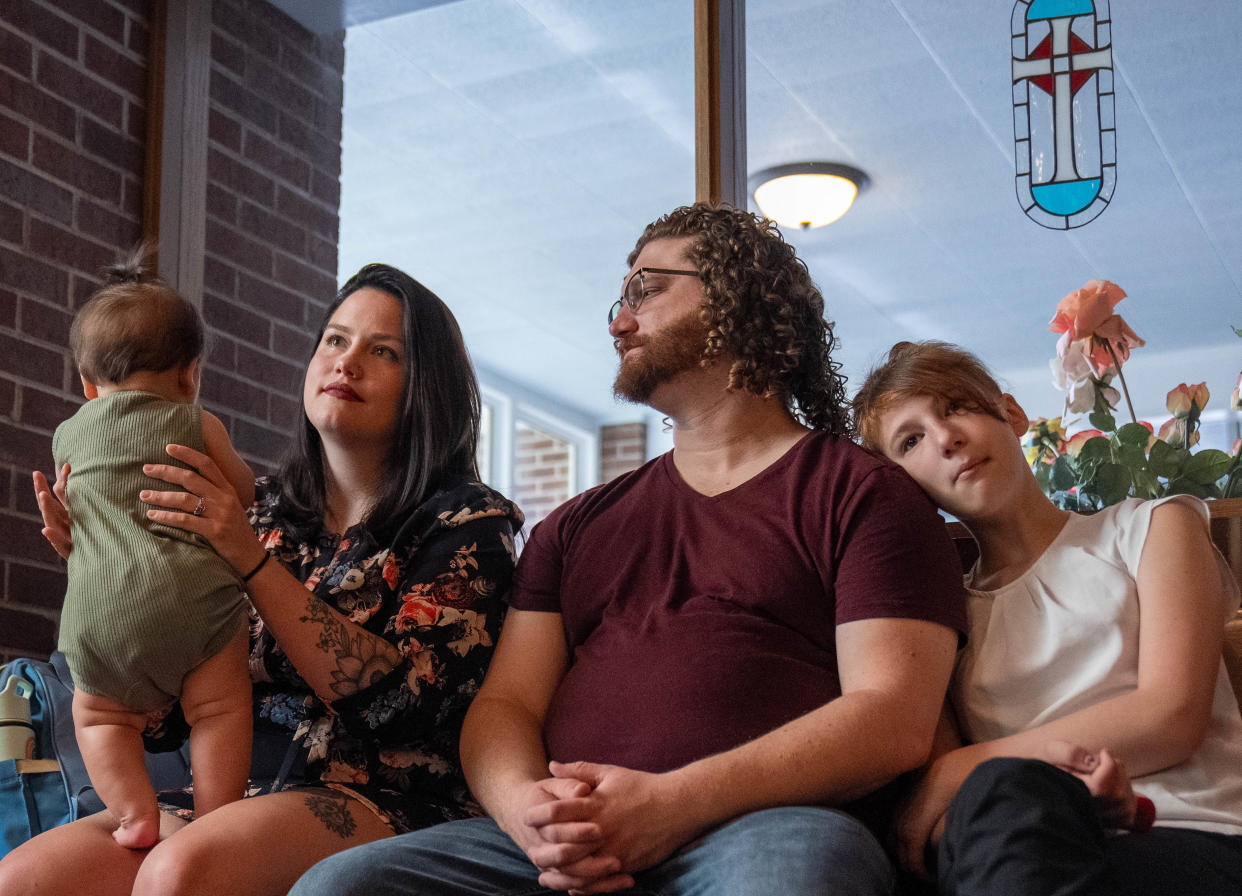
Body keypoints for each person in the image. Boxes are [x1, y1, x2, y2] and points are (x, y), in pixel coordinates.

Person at [290, 203, 968, 896]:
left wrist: (671, 804)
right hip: (561, 844)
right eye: (622, 299)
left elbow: (891, 718)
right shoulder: (578, 524)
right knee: (339, 887)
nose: (619, 320)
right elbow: (505, 709)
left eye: (647, 292)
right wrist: (530, 814)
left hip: (765, 828)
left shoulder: (863, 492)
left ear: (738, 299)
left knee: (797, 877)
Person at [0, 263, 523, 896]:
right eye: (335, 339)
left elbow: (405, 707)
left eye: (381, 351)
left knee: (181, 871)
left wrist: (251, 561)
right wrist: (106, 567)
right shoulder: (262, 509)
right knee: (22, 879)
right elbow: (164, 721)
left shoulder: (466, 520)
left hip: (382, 794)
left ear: (426, 387)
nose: (346, 362)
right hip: (230, 790)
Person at [852, 340, 1242, 895]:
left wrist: (962, 767)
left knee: (999, 789)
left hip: (1194, 834)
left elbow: (1172, 716)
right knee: (1006, 799)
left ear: (1011, 414)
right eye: (910, 441)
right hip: (1022, 843)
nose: (945, 439)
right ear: (901, 483)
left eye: (955, 407)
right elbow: (937, 827)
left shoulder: (1151, 529)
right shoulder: (939, 621)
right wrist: (1003, 779)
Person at [51, 249, 256, 849]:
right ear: (189, 375)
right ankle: (217, 819)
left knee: (97, 716)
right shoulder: (196, 423)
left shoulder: (69, 435)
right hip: (190, 600)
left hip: (95, 614)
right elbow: (244, 496)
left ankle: (135, 813)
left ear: (89, 386)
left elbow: (76, 508)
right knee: (219, 708)